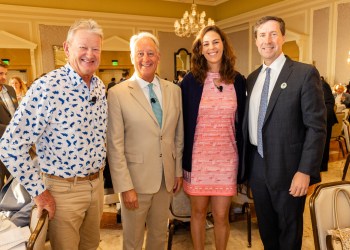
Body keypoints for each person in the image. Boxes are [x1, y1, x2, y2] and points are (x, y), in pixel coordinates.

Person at [0, 19, 107, 249]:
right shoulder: (47, 88)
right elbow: (9, 145)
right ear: (67, 48)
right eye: (83, 47)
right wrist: (39, 192)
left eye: (95, 49)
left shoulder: (99, 86)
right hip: (62, 191)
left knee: (92, 246)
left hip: (96, 186)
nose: (90, 54)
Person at [241, 16, 326, 250]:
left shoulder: (304, 74)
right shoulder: (251, 79)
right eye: (262, 35)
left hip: (290, 169)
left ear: (283, 38)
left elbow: (316, 127)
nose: (267, 40)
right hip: (257, 166)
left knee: (289, 231)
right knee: (267, 230)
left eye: (273, 34)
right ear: (256, 41)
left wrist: (305, 171)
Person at [107, 32, 183, 250]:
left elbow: (177, 136)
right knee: (133, 241)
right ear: (132, 57)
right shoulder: (118, 94)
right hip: (135, 182)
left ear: (158, 57)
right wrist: (125, 186)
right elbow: (115, 145)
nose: (145, 58)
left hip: (165, 180)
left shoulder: (174, 91)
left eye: (150, 53)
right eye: (140, 53)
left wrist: (177, 171)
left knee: (159, 236)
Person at [181, 25, 246, 250]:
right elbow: (182, 123)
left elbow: (243, 122)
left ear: (223, 45)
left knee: (221, 216)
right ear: (199, 50)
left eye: (215, 42)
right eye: (205, 44)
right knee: (198, 214)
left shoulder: (237, 81)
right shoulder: (189, 82)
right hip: (198, 160)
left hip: (227, 159)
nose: (211, 47)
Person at [0, 61, 18, 189]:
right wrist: (11, 129)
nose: (4, 77)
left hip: (13, 143)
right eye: (0, 74)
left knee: (14, 179)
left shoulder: (10, 90)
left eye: (5, 73)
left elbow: (16, 113)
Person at [321, 76, 338, 172]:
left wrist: (319, 118)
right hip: (322, 119)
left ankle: (322, 168)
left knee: (324, 146)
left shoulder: (322, 84)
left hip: (325, 120)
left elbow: (329, 103)